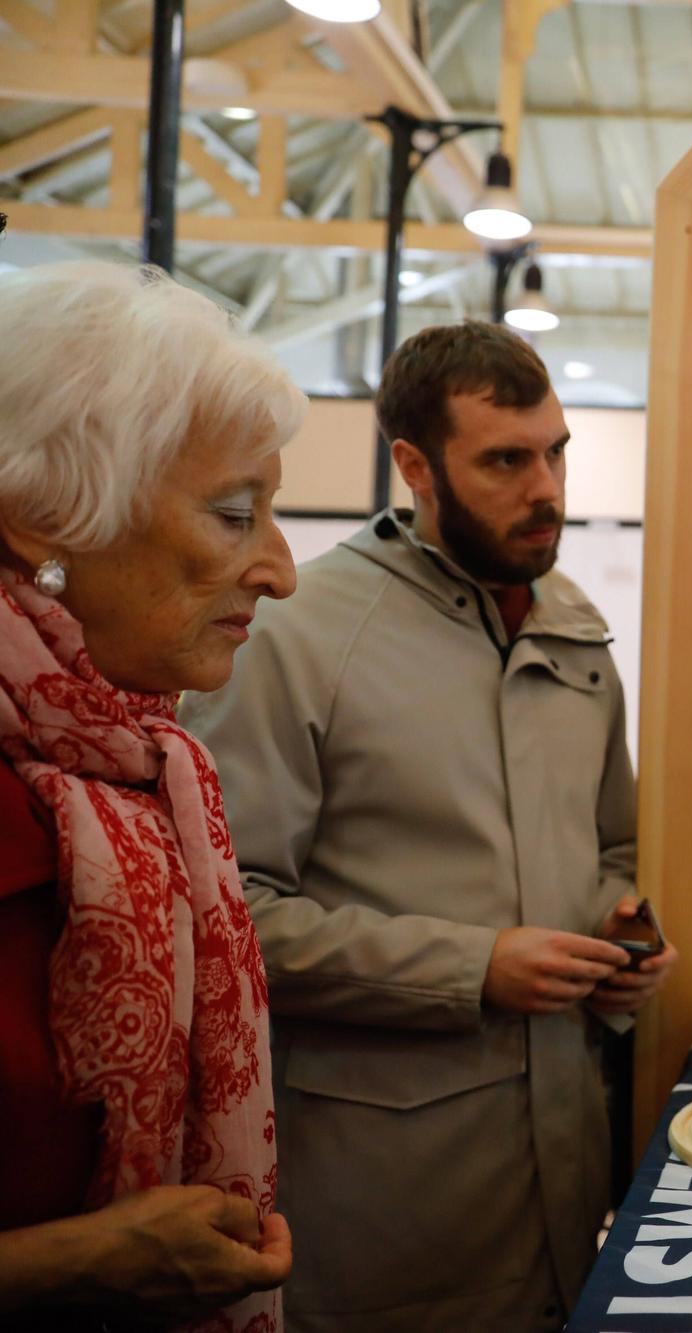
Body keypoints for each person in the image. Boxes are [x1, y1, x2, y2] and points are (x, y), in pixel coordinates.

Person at [179, 321, 674, 1333]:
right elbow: (226, 921)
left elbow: (611, 847)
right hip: (387, 1193)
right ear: (414, 465)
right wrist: (472, 966)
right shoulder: (297, 633)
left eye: (556, 452)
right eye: (504, 460)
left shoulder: (573, 629)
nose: (546, 487)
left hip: (564, 1160)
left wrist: (614, 928)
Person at [0, 261, 299, 1331]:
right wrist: (57, 1266)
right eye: (232, 514)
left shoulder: (135, 764)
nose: (280, 569)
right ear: (43, 517)